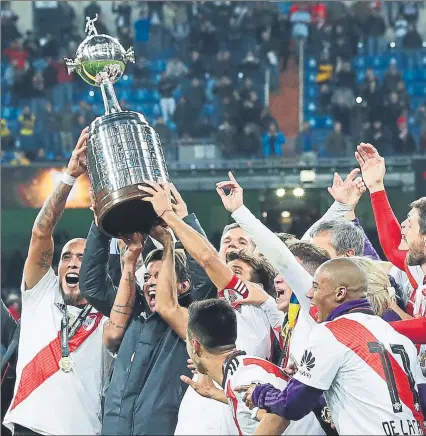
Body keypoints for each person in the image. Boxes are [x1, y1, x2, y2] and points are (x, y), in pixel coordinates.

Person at [137, 182, 323, 435]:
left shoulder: (257, 320)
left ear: (258, 284)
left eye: (236, 272)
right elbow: (170, 303)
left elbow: (209, 259)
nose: (227, 279)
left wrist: (173, 218)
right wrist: (170, 242)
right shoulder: (271, 321)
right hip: (225, 405)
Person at [80, 184, 213, 436]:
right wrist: (100, 228)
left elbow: (206, 275)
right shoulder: (134, 312)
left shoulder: (193, 317)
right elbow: (92, 287)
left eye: (159, 275)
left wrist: (182, 221)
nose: (151, 281)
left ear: (183, 285)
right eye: (148, 276)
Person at [3, 129, 111, 436]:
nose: (74, 262)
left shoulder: (108, 310)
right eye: (67, 257)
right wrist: (70, 176)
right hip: (29, 427)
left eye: (82, 257)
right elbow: (41, 233)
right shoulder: (41, 293)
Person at [240, 258, 426, 435]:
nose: (309, 294)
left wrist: (261, 392)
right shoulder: (399, 338)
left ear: (340, 293)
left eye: (316, 287)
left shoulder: (331, 333)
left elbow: (292, 405)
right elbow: (421, 401)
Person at [184, 298, 320, 435]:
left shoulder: (244, 377)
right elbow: (251, 407)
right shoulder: (243, 369)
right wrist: (214, 393)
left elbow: (277, 418)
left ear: (195, 345)